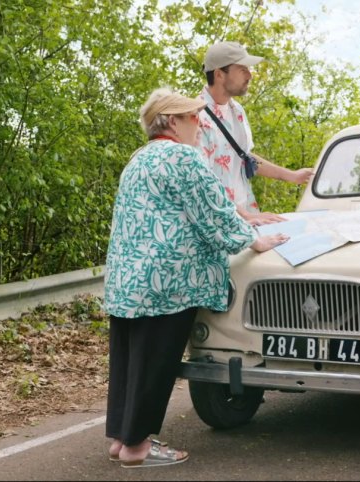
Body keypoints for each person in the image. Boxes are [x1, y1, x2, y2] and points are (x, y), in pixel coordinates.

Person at [103, 87, 288, 468]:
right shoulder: (182, 157)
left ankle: (122, 439)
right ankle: (138, 448)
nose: (199, 124)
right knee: (156, 363)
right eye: (192, 117)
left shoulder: (139, 159)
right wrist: (253, 241)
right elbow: (214, 212)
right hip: (167, 281)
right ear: (172, 121)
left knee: (129, 359)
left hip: (128, 280)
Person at [198, 41, 314, 226]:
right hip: (218, 224)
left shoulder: (237, 111)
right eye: (242, 69)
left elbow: (245, 157)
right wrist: (244, 216)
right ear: (219, 74)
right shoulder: (194, 117)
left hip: (247, 217)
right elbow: (201, 182)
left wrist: (292, 176)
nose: (250, 75)